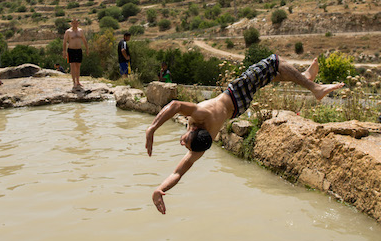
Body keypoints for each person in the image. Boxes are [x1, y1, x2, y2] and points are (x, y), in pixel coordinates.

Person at [145, 55, 344, 215]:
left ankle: (305, 77)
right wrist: (152, 129)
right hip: (234, 94)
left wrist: (160, 188)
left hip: (238, 109)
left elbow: (177, 173)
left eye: (185, 142)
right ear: (196, 129)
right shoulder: (202, 115)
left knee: (270, 74)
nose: (182, 142)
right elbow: (175, 105)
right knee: (275, 62)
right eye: (186, 141)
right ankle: (315, 88)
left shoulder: (205, 143)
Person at [63, 19, 89, 91]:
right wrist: (64, 51)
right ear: (71, 23)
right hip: (71, 50)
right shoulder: (68, 32)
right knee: (73, 66)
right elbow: (65, 42)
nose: (75, 24)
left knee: (78, 66)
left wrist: (87, 48)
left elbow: (84, 40)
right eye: (73, 23)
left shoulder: (80, 31)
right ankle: (74, 82)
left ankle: (78, 81)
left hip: (79, 50)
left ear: (78, 23)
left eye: (76, 23)